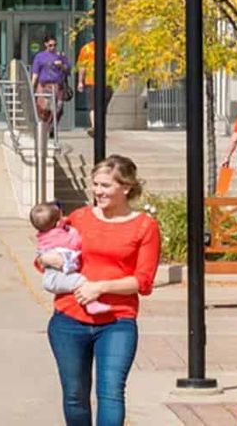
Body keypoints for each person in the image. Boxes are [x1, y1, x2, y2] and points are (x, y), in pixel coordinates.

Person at [40, 154, 161, 426]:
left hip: (117, 322)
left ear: (126, 187)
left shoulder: (144, 226)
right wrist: (47, 258)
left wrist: (100, 288)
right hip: (68, 320)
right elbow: (49, 248)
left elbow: (143, 281)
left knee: (111, 394)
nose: (97, 191)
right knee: (75, 395)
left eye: (105, 186)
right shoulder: (79, 218)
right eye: (95, 184)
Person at [30, 201, 111, 314]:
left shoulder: (44, 234)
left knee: (77, 282)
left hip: (52, 276)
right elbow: (73, 243)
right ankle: (91, 304)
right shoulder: (59, 234)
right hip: (56, 278)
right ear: (58, 222)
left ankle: (91, 304)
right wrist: (74, 232)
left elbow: (41, 259)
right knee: (82, 281)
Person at [76, 39, 117, 137]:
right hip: (100, 82)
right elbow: (115, 65)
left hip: (99, 82)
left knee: (94, 106)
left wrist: (80, 82)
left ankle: (96, 128)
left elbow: (82, 67)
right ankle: (97, 128)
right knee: (98, 107)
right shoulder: (108, 47)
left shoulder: (87, 48)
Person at [32, 34, 71, 125]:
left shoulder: (60, 55)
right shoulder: (40, 56)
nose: (53, 47)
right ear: (45, 44)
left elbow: (68, 71)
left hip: (57, 85)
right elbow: (35, 73)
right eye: (50, 45)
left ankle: (52, 127)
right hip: (44, 85)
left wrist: (61, 65)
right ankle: (44, 126)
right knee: (43, 108)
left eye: (54, 45)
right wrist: (32, 86)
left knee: (58, 109)